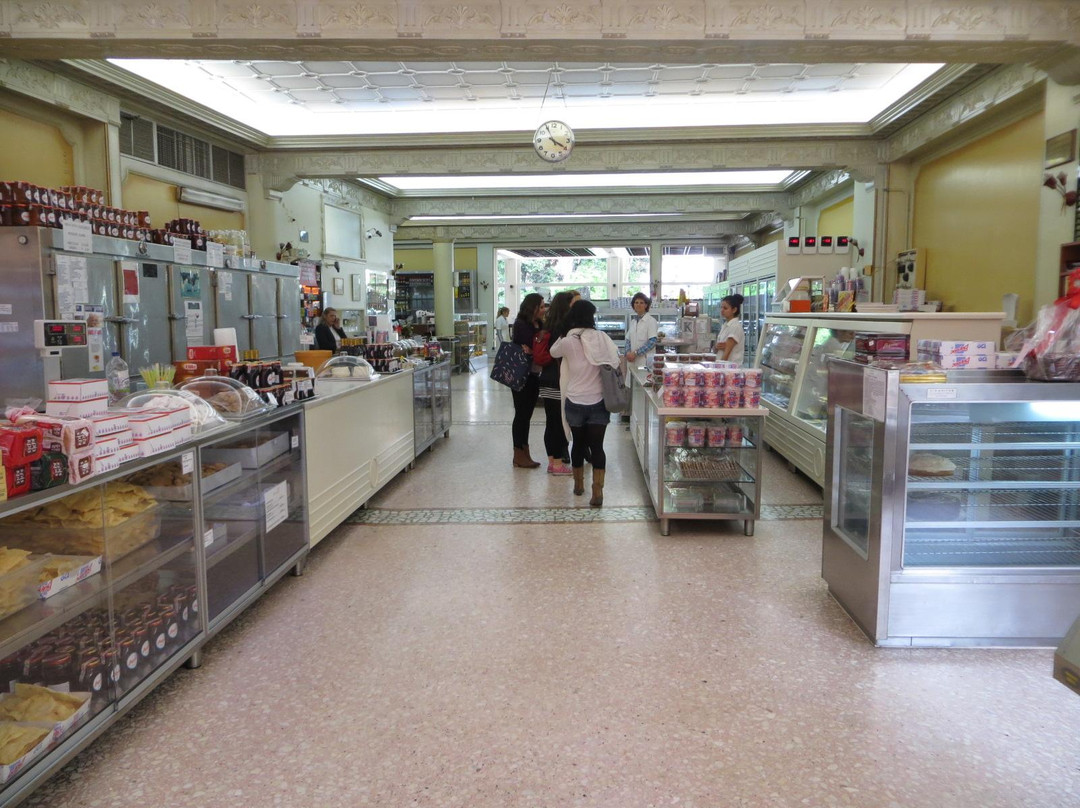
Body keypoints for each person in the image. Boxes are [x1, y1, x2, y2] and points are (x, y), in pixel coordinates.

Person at [550, 299, 620, 507]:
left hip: (575, 401)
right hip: (599, 401)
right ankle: (597, 492)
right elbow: (616, 359)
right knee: (597, 447)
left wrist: (564, 332)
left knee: (578, 444)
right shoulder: (601, 337)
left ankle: (578, 485)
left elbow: (553, 352)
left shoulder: (568, 341)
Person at [535, 291, 578, 475]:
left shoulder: (548, 324)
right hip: (558, 380)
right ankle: (558, 464)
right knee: (559, 422)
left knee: (551, 422)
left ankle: (552, 462)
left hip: (546, 377)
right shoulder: (564, 328)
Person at [510, 293, 546, 469]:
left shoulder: (539, 324)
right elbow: (532, 346)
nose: (544, 310)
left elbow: (538, 347)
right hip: (521, 374)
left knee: (527, 414)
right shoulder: (521, 324)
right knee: (521, 414)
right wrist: (536, 348)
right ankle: (518, 453)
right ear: (533, 307)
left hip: (534, 374)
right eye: (541, 306)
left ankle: (525, 451)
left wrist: (535, 349)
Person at [624, 292, 659, 370]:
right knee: (631, 377)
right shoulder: (633, 322)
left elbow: (652, 342)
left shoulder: (651, 321)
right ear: (633, 305)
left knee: (644, 377)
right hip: (632, 361)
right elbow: (628, 340)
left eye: (641, 303)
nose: (638, 305)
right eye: (636, 302)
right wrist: (628, 353)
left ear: (646, 305)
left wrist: (636, 353)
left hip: (644, 361)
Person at [713, 294, 745, 365]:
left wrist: (719, 367)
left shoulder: (735, 326)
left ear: (734, 310)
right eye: (721, 307)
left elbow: (726, 353)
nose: (722, 310)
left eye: (725, 308)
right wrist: (716, 346)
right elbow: (718, 349)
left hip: (729, 367)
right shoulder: (726, 325)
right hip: (724, 366)